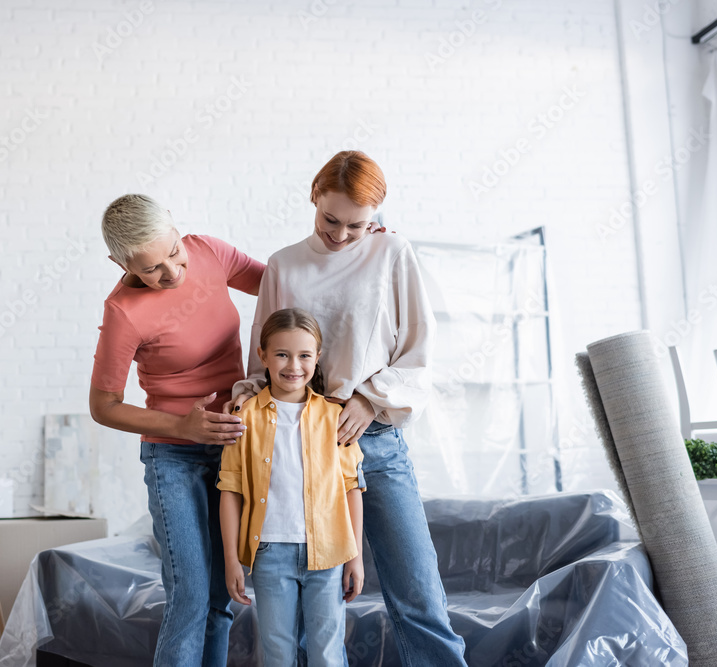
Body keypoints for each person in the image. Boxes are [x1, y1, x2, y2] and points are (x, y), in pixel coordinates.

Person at [229, 151, 468, 666]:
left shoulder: (393, 253)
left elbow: (419, 352)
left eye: (356, 225)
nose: (340, 234)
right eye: (329, 219)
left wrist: (367, 398)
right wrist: (247, 395)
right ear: (314, 198)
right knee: (289, 621)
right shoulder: (284, 264)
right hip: (294, 441)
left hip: (372, 437)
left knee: (417, 590)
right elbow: (262, 353)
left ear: (378, 213)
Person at [89, 194, 264, 666]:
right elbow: (103, 406)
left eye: (172, 251)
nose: (172, 271)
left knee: (222, 596)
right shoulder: (123, 311)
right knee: (190, 593)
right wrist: (182, 426)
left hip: (233, 448)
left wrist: (355, 252)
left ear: (175, 227)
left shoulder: (209, 251)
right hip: (174, 458)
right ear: (120, 264)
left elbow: (284, 285)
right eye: (152, 269)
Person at [218, 308, 365, 666]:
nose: (293, 365)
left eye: (304, 355)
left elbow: (352, 487)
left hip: (328, 554)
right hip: (269, 554)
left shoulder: (335, 417)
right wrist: (231, 561)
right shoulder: (244, 417)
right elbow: (230, 491)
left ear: (317, 358)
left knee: (328, 653)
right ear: (263, 356)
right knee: (277, 653)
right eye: (282, 354)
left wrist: (355, 557)